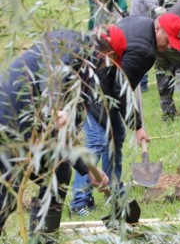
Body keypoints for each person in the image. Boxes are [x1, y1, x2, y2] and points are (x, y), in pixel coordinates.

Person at [0, 28, 125, 241]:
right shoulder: (73, 42)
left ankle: (43, 238)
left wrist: (92, 172)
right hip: (13, 115)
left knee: (58, 173)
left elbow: (66, 139)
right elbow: (55, 69)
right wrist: (54, 106)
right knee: (10, 186)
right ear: (109, 56)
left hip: (32, 122)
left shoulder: (84, 76)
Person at [70, 13, 180, 215]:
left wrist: (135, 125)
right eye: (168, 41)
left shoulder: (142, 22)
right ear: (159, 28)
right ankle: (80, 202)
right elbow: (121, 89)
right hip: (95, 87)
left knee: (116, 137)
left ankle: (113, 192)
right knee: (97, 142)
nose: (168, 47)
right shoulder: (145, 51)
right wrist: (137, 125)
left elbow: (120, 84)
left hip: (102, 82)